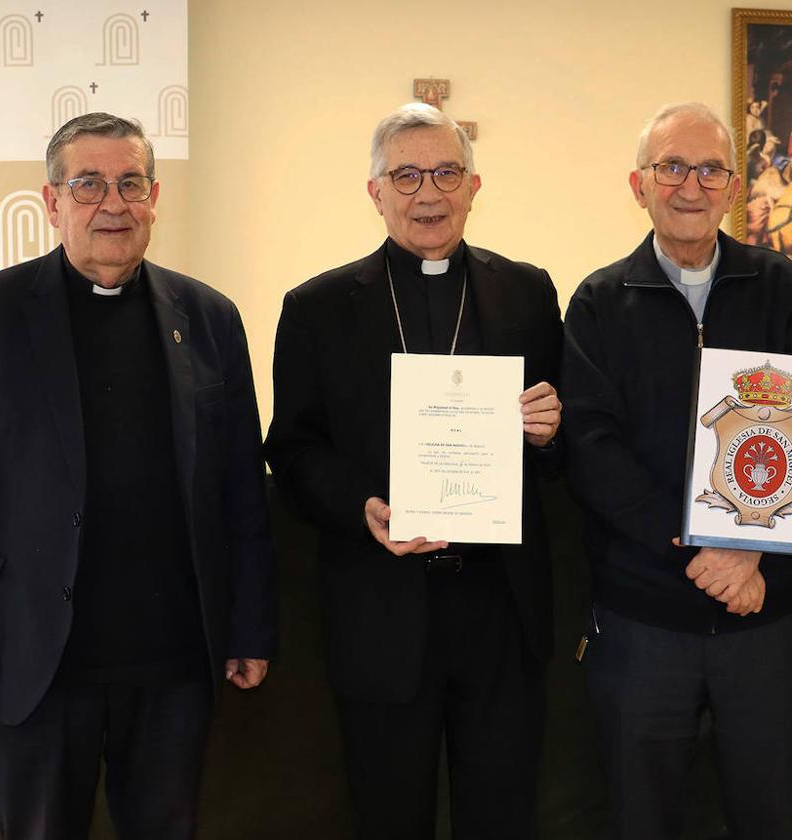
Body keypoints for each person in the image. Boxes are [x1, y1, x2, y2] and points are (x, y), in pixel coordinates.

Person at [0, 112, 277, 839]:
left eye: (130, 183)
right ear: (51, 202)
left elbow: (241, 488)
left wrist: (250, 625)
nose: (113, 203)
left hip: (172, 658)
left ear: (154, 195)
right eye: (88, 184)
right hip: (37, 658)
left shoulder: (208, 317)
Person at [264, 102, 562, 839]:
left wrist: (554, 428)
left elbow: (565, 434)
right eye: (406, 175)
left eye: (445, 173)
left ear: (473, 185)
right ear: (375, 191)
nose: (428, 193)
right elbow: (292, 450)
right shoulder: (317, 308)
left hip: (500, 605)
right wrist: (362, 505)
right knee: (388, 813)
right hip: (381, 607)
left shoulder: (528, 292)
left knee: (502, 814)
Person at [561, 102, 792, 840]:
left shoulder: (778, 285)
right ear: (638, 184)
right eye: (671, 166)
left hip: (765, 613)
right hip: (645, 619)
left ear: (734, 187)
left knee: (770, 817)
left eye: (710, 169)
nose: (690, 185)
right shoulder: (598, 301)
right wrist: (701, 544)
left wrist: (748, 550)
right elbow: (592, 447)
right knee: (640, 818)